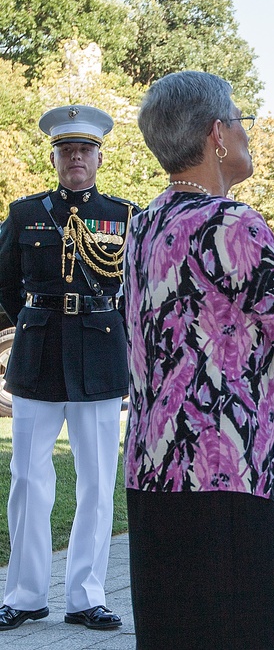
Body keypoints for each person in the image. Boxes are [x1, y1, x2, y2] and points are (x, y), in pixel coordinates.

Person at [124, 70, 274, 649]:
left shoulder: (146, 223)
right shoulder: (233, 221)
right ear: (217, 134)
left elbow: (201, 307)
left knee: (173, 632)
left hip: (156, 473)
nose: (248, 134)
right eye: (241, 122)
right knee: (233, 629)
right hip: (229, 477)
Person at [0, 105, 134, 632]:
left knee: (98, 482)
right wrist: (30, 322)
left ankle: (85, 595)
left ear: (99, 156)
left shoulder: (125, 216)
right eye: (66, 150)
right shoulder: (25, 213)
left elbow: (135, 290)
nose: (75, 158)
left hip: (99, 352)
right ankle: (26, 593)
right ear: (54, 157)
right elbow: (5, 281)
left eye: (84, 150)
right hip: (37, 353)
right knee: (28, 478)